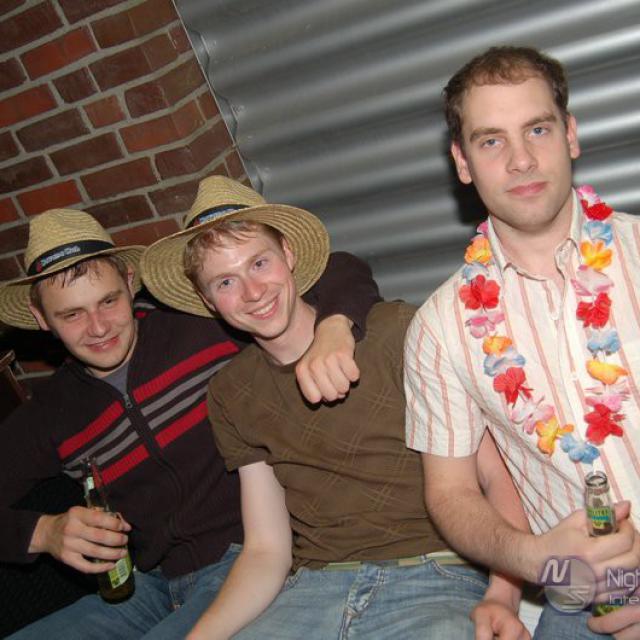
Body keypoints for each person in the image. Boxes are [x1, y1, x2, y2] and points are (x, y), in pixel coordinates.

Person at [139, 175, 531, 640]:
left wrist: (504, 594)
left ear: (288, 254)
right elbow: (266, 549)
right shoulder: (231, 391)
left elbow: (495, 474)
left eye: (259, 263)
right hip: (311, 591)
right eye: (225, 281)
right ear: (207, 300)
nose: (252, 291)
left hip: (434, 575)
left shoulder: (396, 332)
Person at [0, 197, 380, 639]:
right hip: (146, 586)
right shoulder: (48, 413)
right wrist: (44, 532)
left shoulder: (203, 326)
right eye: (72, 314)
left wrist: (335, 325)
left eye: (108, 301)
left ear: (130, 282)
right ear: (41, 318)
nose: (98, 327)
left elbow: (340, 268)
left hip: (247, 560)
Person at [404, 45, 640, 639]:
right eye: (491, 141)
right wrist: (537, 561)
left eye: (537, 129)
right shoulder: (438, 328)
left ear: (571, 135)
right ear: (462, 163)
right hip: (578, 593)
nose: (521, 160)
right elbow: (451, 495)